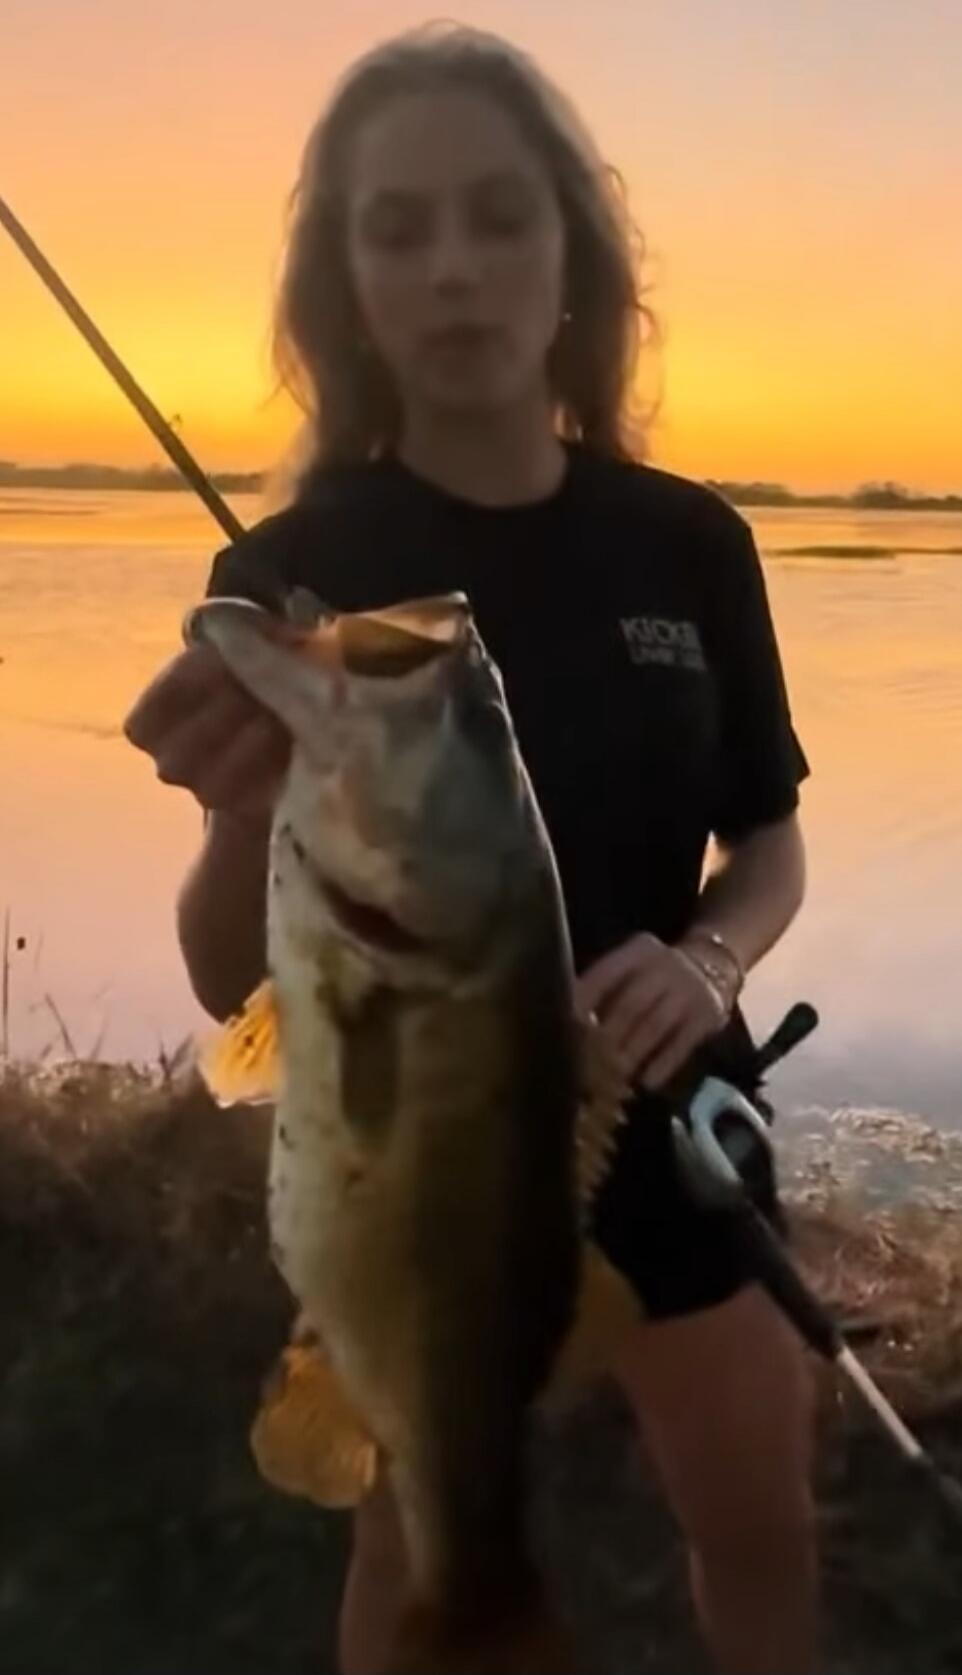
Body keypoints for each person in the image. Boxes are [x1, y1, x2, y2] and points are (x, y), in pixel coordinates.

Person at [123, 23, 816, 1675]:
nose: (454, 268)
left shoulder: (690, 541)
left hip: (669, 1123)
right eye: (399, 226)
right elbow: (236, 981)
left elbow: (771, 840)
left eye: (500, 216)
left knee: (763, 1529)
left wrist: (705, 956)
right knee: (413, 1525)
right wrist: (237, 812)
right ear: (343, 284)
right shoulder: (289, 574)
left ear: (571, 255)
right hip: (409, 1157)